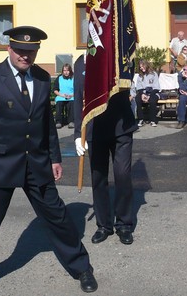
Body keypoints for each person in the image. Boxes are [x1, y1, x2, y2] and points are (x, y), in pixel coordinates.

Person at [0, 26, 97, 296]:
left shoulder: (41, 78)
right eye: (20, 51)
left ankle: (82, 267)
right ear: (9, 49)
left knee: (58, 216)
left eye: (31, 51)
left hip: (36, 162)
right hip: (0, 165)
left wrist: (54, 157)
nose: (25, 56)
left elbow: (46, 123)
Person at [73, 53, 137, 246]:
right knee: (98, 178)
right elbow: (78, 97)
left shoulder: (121, 55)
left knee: (122, 175)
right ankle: (104, 225)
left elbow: (127, 83)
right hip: (94, 128)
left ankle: (124, 223)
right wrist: (78, 132)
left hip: (121, 126)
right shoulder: (81, 62)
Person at [134, 59, 160, 127]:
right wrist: (142, 94)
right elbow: (139, 87)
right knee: (137, 99)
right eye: (140, 67)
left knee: (152, 100)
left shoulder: (154, 74)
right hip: (143, 92)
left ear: (146, 65)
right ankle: (141, 119)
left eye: (142, 66)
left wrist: (149, 95)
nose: (141, 68)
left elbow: (156, 88)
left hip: (153, 92)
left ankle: (153, 120)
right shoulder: (140, 76)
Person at [53, 63, 74, 129]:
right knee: (59, 104)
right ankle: (58, 122)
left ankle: (71, 122)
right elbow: (55, 90)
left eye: (67, 70)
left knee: (72, 104)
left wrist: (71, 95)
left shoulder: (74, 78)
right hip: (61, 96)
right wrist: (62, 95)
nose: (66, 72)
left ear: (70, 71)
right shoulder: (59, 78)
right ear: (62, 71)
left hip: (71, 96)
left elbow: (77, 90)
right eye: (64, 70)